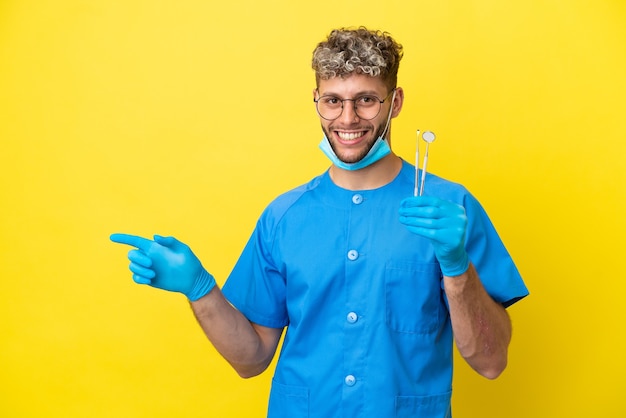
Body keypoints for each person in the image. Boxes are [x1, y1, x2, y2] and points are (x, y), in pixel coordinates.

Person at [111, 27, 529, 418]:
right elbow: (252, 359)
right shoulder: (285, 216)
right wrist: (200, 290)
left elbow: (491, 362)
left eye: (366, 99)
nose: (347, 119)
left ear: (395, 102)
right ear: (317, 101)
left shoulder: (449, 208)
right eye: (333, 101)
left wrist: (457, 269)